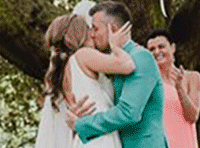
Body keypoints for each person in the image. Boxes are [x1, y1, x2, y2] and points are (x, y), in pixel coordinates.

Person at [66, 1, 169, 148]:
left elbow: (129, 113)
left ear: (112, 29)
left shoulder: (141, 58)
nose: (91, 35)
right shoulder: (112, 63)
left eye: (95, 29)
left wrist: (82, 124)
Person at [35, 13, 134, 148]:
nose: (93, 34)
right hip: (100, 140)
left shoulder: (65, 72)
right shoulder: (83, 55)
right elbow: (128, 65)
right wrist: (115, 45)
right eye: (89, 29)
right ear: (79, 33)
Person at [146, 29, 200, 148]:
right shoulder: (148, 83)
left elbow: (192, 116)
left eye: (161, 46)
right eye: (152, 49)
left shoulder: (192, 77)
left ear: (172, 48)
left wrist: (179, 89)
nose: (157, 52)